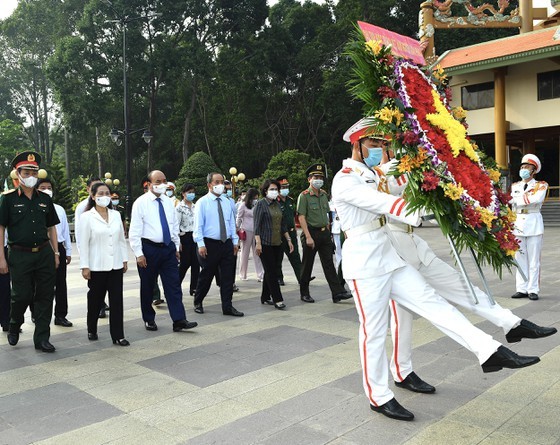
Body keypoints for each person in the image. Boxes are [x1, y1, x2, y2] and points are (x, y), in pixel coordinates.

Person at [331, 119, 540, 421]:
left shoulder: (375, 172)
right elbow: (382, 202)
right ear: (357, 145)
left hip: (390, 256)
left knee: (434, 303)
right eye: (374, 145)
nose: (381, 150)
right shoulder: (345, 178)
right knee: (373, 332)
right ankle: (378, 395)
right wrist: (434, 210)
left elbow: (410, 171)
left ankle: (490, 351)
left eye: (383, 145)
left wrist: (436, 162)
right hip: (364, 264)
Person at [370, 137, 557, 394]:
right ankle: (403, 371)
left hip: (415, 243)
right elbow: (393, 202)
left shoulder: (418, 167)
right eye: (386, 144)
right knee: (405, 317)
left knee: (462, 285)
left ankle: (511, 323)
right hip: (394, 247)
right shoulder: (379, 175)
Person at [0, 151, 60, 353]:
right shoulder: (7, 200)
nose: (31, 175)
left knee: (45, 296)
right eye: (26, 171)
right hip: (19, 254)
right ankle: (14, 324)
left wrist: (56, 253)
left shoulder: (44, 198)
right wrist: (1, 257)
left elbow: (52, 227)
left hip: (43, 252)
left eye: (34, 172)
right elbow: (1, 229)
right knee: (22, 295)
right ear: (17, 173)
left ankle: (42, 338)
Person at [129, 170, 198, 332]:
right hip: (149, 248)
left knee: (173, 285)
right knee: (147, 286)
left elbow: (173, 226)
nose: (162, 185)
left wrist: (175, 246)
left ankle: (179, 319)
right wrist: (139, 253)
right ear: (148, 184)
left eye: (164, 181)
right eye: (157, 181)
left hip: (167, 249)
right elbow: (135, 230)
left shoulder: (168, 202)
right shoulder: (140, 203)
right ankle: (149, 318)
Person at [78, 182, 130, 346]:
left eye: (107, 193)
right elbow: (83, 243)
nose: (104, 196)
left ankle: (118, 335)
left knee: (116, 300)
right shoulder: (87, 217)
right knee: (95, 299)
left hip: (115, 265)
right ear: (93, 196)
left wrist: (124, 259)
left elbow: (121, 239)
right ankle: (91, 328)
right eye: (100, 193)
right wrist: (85, 266)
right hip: (96, 266)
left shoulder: (115, 215)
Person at [297, 164, 352, 304]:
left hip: (324, 233)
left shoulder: (323, 195)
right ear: (309, 179)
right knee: (307, 265)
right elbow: (301, 217)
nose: (318, 180)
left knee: (329, 264)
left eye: (320, 177)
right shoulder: (304, 196)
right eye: (315, 177)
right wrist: (308, 236)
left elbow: (327, 214)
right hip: (311, 234)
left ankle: (337, 292)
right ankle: (304, 293)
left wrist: (328, 230)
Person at [192, 172, 243, 317]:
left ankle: (227, 306)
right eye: (217, 182)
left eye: (222, 182)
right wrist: (200, 244)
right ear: (209, 185)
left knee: (227, 276)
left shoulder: (228, 202)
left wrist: (234, 241)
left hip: (226, 243)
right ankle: (198, 301)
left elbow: (231, 223)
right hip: (209, 244)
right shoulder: (202, 202)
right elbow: (198, 226)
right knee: (206, 275)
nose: (220, 185)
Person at [36, 178, 74, 328]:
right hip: (41, 247)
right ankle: (37, 314)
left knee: (60, 283)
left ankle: (60, 315)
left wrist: (68, 251)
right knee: (40, 284)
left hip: (59, 247)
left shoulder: (59, 209)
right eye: (43, 187)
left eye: (49, 187)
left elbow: (64, 231)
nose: (47, 190)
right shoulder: (34, 207)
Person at [510, 154, 548, 301]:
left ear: (534, 170)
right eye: (522, 167)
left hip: (534, 223)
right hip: (518, 223)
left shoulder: (541, 185)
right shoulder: (515, 186)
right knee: (519, 258)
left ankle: (533, 289)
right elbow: (513, 203)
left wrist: (516, 200)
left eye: (526, 167)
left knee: (533, 259)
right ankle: (521, 288)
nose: (523, 169)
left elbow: (536, 199)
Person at [254, 180, 294, 309]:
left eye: (276, 189)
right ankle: (277, 299)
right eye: (271, 189)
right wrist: (258, 244)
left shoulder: (277, 204)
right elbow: (257, 226)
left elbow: (283, 225)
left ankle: (265, 296)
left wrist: (289, 240)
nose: (274, 191)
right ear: (265, 191)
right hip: (265, 243)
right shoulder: (260, 205)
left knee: (272, 270)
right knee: (272, 272)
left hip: (278, 242)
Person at [275, 176, 304, 286]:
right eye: (283, 187)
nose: (285, 188)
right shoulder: (275, 202)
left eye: (287, 186)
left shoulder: (290, 201)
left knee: (295, 255)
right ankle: (279, 278)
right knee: (278, 257)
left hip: (291, 232)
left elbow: (292, 216)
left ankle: (302, 277)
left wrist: (295, 229)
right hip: (279, 234)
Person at [176, 183, 200, 296]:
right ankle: (175, 285)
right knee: (185, 263)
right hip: (184, 236)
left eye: (192, 192)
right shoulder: (179, 208)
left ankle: (194, 288)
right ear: (183, 194)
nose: (191, 194)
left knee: (196, 263)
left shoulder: (196, 207)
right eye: (188, 192)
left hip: (194, 236)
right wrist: (178, 242)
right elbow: (176, 225)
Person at [236, 188, 264, 281]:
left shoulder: (258, 205)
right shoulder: (243, 205)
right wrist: (237, 229)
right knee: (244, 253)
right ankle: (242, 274)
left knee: (258, 252)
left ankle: (260, 274)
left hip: (257, 231)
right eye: (254, 197)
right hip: (246, 231)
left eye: (257, 197)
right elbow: (239, 218)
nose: (256, 199)